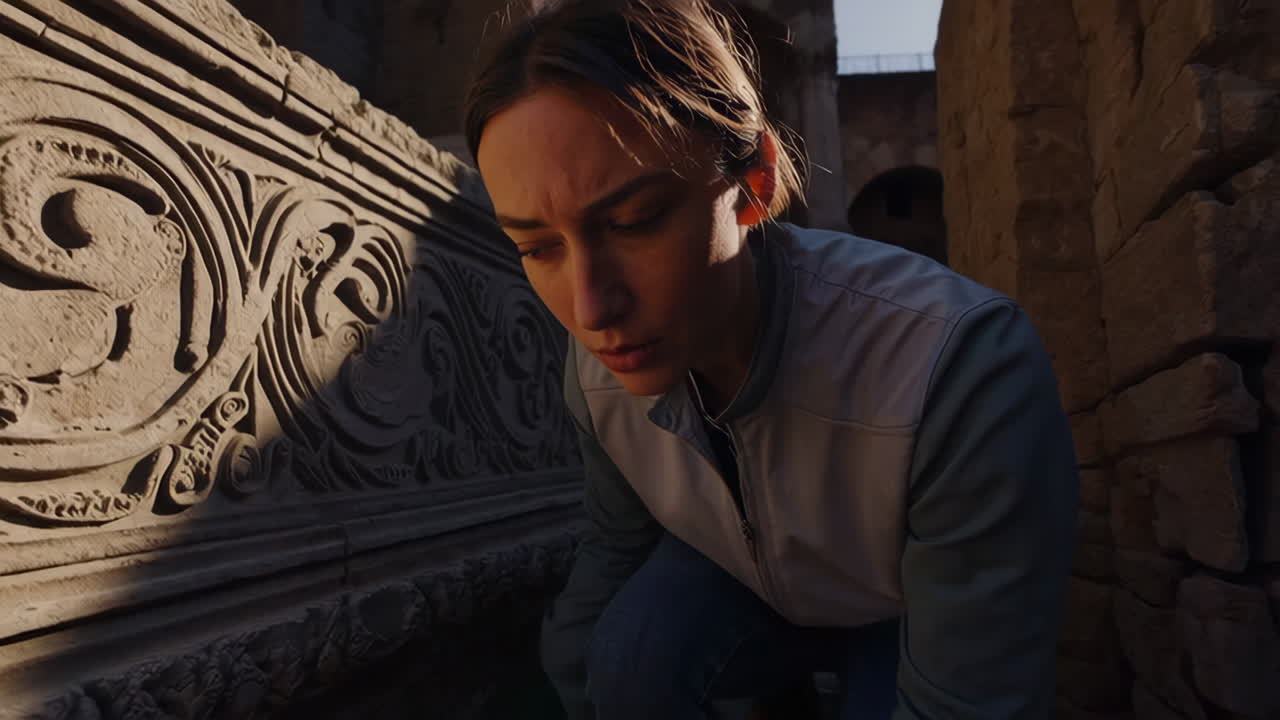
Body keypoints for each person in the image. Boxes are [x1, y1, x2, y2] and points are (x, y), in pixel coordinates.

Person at [463, 1, 1079, 717]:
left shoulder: (959, 364)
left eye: (634, 221)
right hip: (744, 588)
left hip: (905, 604)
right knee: (627, 657)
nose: (591, 309)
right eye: (538, 247)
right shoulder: (598, 369)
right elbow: (616, 548)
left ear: (754, 180)